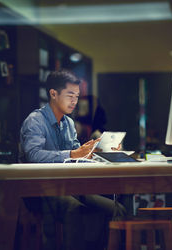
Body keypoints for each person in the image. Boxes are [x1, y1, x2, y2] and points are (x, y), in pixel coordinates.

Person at [20, 69, 126, 250]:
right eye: (70, 95)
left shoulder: (68, 123)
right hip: (40, 189)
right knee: (74, 209)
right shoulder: (35, 121)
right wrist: (72, 154)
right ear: (53, 94)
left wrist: (96, 153)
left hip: (69, 186)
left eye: (77, 96)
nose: (74, 101)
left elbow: (77, 158)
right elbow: (33, 155)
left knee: (116, 209)